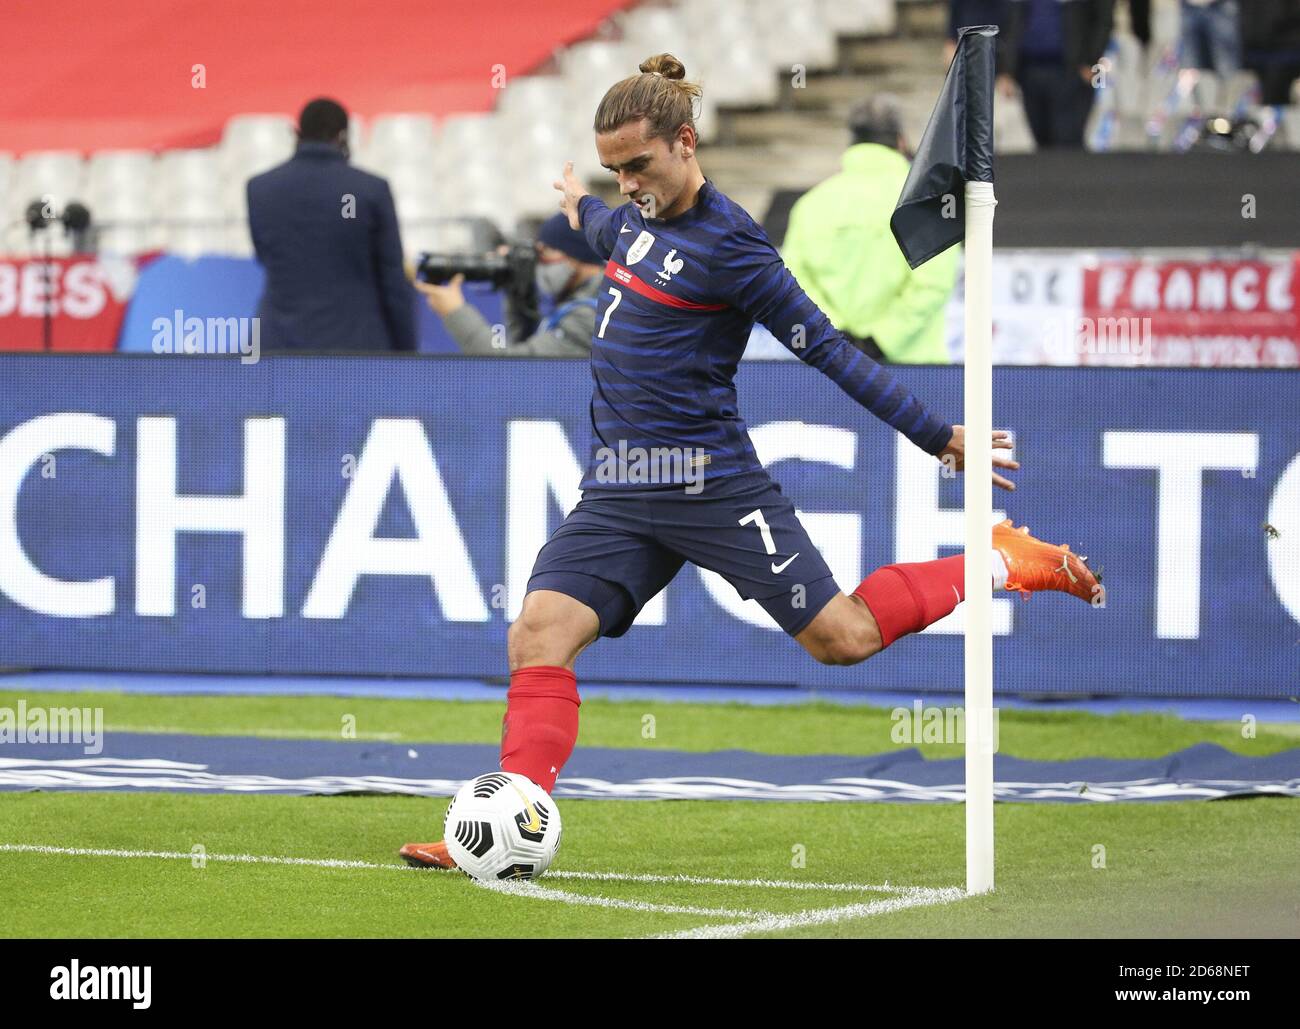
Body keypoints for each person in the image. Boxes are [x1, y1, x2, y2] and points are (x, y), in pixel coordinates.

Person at [400, 54, 1101, 870]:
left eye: (639, 165)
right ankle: (500, 832)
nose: (627, 183)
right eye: (613, 169)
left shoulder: (734, 248)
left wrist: (935, 432)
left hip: (712, 486)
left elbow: (830, 351)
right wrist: (574, 201)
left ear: (685, 142)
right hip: (619, 492)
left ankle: (1001, 559)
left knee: (842, 637)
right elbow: (599, 221)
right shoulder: (625, 219)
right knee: (536, 636)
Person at [781, 96, 957, 364]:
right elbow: (932, 285)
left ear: (853, 143)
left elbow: (792, 283)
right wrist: (880, 341)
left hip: (831, 369)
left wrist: (837, 337)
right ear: (900, 141)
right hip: (917, 374)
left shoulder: (810, 206)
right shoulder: (930, 204)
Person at [247, 97, 416, 352]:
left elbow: (263, 256)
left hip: (278, 347)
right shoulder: (371, 190)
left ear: (297, 134)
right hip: (356, 350)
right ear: (343, 136)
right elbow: (392, 279)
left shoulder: (260, 189)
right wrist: (407, 351)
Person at [416, 213, 602, 356]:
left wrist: (455, 312)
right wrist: (517, 289)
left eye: (545, 253)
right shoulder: (590, 301)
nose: (539, 263)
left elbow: (514, 371)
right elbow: (524, 347)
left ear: (576, 258)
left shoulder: (589, 316)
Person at [997, 0, 1116, 148]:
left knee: (1068, 141)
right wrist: (1007, 70)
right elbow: (1012, 20)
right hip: (1029, 70)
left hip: (1070, 72)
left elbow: (1103, 19)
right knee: (1042, 140)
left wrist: (1090, 61)